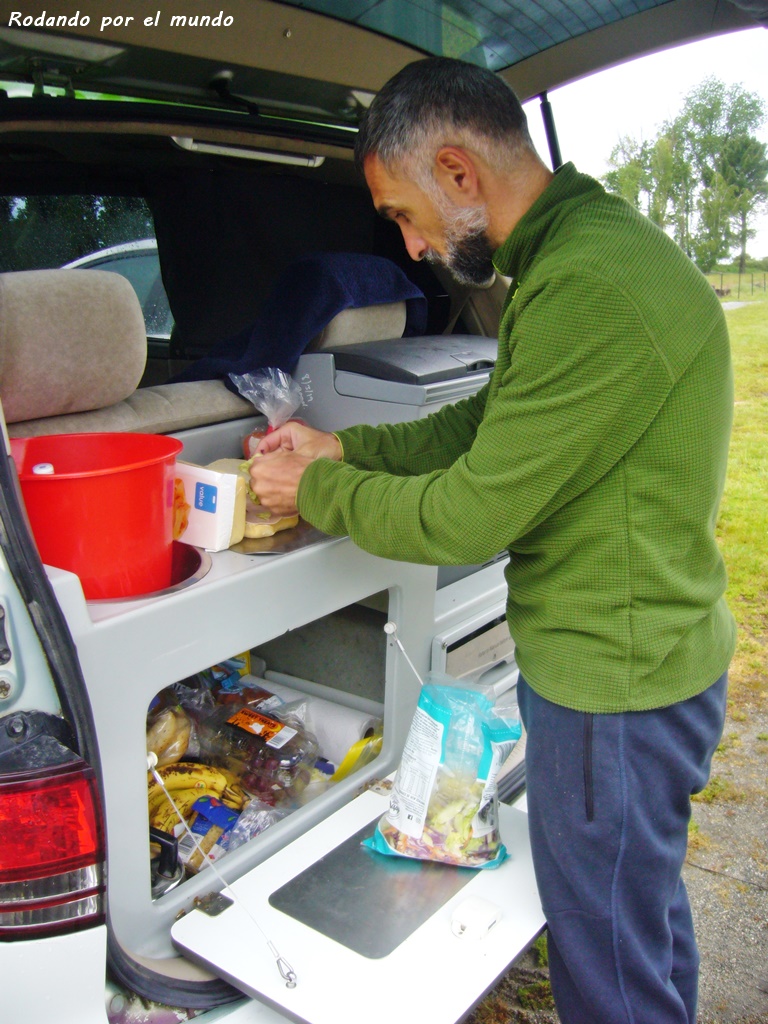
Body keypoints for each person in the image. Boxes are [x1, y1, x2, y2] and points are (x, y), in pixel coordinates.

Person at [249, 57, 736, 1023]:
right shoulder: (574, 256)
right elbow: (484, 432)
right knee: (639, 919)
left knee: (605, 955)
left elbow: (471, 513)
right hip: (639, 669)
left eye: (401, 212)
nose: (411, 244)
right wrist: (348, 446)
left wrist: (323, 489)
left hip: (616, 686)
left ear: (459, 172)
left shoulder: (592, 283)